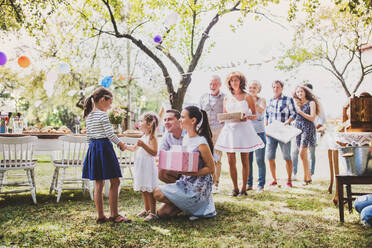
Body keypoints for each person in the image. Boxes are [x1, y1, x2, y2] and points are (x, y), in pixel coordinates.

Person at [154, 106, 216, 220]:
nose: (180, 120)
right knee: (162, 213)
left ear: (193, 121)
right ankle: (188, 206)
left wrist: (191, 173)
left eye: (182, 117)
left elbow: (211, 169)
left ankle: (197, 206)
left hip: (198, 187)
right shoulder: (186, 138)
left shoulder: (201, 142)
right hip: (185, 182)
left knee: (157, 193)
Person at [82, 87, 131, 224]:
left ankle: (100, 215)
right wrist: (121, 144)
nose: (110, 105)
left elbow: (88, 137)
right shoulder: (102, 115)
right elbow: (110, 134)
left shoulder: (89, 116)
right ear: (103, 99)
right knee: (115, 181)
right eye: (110, 102)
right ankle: (115, 215)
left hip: (93, 148)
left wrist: (92, 151)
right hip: (104, 148)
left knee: (99, 183)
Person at [215, 71, 265, 196]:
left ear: (241, 82)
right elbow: (225, 115)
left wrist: (246, 117)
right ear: (229, 83)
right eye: (232, 81)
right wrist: (222, 119)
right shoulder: (227, 98)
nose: (234, 83)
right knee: (231, 159)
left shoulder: (247, 96)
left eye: (236, 80)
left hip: (244, 129)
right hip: (230, 130)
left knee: (245, 159)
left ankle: (243, 189)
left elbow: (254, 115)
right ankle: (235, 188)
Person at [125, 112, 159, 221]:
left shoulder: (152, 138)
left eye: (141, 121)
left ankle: (153, 213)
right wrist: (125, 146)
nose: (139, 123)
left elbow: (154, 153)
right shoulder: (143, 136)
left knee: (149, 189)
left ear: (149, 124)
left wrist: (143, 145)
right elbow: (135, 148)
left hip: (148, 166)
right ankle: (146, 209)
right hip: (141, 166)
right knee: (143, 188)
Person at [265, 80, 296, 188]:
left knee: (287, 156)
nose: (275, 89)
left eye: (278, 87)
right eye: (274, 87)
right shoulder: (270, 101)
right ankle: (274, 179)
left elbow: (294, 114)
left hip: (284, 133)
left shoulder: (288, 100)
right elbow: (267, 116)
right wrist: (267, 129)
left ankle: (289, 180)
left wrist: (287, 123)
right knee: (270, 157)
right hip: (272, 133)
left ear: (282, 88)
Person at [292, 83, 325, 179]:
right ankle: (307, 177)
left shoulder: (311, 103)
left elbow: (312, 118)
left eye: (301, 91)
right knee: (303, 156)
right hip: (297, 129)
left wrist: (300, 112)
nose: (299, 93)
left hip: (307, 128)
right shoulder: (296, 104)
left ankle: (307, 175)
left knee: (302, 152)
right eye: (297, 92)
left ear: (305, 92)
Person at [199, 75, 225, 194]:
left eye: (215, 84)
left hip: (219, 130)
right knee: (204, 157)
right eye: (211, 84)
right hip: (204, 130)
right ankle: (204, 183)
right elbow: (199, 113)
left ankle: (215, 183)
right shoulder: (203, 97)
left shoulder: (225, 97)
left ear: (219, 84)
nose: (212, 86)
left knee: (217, 158)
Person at [246, 80, 267, 193]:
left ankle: (261, 185)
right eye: (250, 87)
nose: (252, 89)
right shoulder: (245, 100)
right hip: (248, 133)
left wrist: (253, 100)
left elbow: (261, 110)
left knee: (260, 160)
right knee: (248, 160)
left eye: (254, 87)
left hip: (259, 133)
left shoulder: (261, 100)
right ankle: (249, 183)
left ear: (258, 89)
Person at [158, 109, 185, 183]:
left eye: (169, 119)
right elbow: (161, 154)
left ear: (179, 121)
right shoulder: (167, 135)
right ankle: (177, 188)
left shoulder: (189, 133)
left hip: (191, 167)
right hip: (176, 166)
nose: (166, 123)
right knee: (161, 171)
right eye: (165, 120)